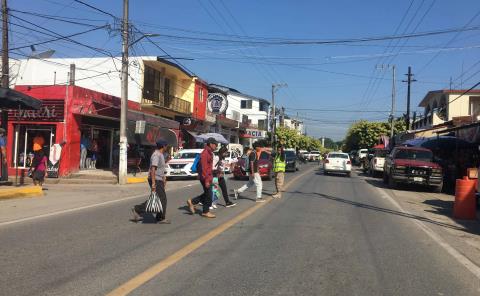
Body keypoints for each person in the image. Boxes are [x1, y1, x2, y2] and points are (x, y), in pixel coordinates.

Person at [131, 139, 170, 224]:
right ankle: (139, 209)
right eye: (166, 145)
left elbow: (160, 168)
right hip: (155, 179)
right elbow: (153, 169)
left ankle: (158, 216)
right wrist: (153, 183)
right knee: (162, 199)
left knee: (159, 199)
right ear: (163, 146)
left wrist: (163, 178)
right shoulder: (156, 155)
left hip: (159, 179)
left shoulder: (161, 154)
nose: (167, 147)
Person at [186, 137, 218, 218]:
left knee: (208, 194)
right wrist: (207, 180)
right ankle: (205, 211)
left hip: (207, 176)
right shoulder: (205, 153)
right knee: (209, 195)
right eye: (215, 145)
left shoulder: (209, 152)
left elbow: (208, 167)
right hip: (205, 177)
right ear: (210, 144)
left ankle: (192, 201)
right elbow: (204, 168)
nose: (216, 146)